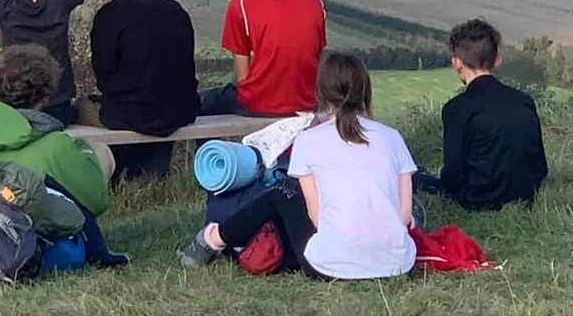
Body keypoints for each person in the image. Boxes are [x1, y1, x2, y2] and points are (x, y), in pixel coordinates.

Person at [180, 52, 417, 281]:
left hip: (330, 268)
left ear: (320, 91)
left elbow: (316, 217)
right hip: (398, 264)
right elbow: (405, 215)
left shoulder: (309, 139)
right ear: (365, 90)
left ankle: (213, 240)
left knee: (282, 192)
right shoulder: (392, 137)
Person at [0, 44, 127, 266]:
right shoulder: (56, 145)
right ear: (46, 98)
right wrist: (85, 151)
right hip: (38, 237)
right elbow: (97, 201)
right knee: (100, 152)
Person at [82, 0, 200, 179]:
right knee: (157, 100)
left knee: (80, 107)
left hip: (129, 114)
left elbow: (103, 74)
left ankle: (114, 178)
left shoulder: (110, 15)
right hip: (179, 111)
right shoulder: (176, 11)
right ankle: (152, 177)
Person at [414, 19, 548, 211]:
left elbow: (453, 177)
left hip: (479, 199)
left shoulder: (457, 109)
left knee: (412, 176)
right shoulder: (524, 100)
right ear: (497, 60)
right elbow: (540, 165)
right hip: (527, 192)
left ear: (457, 63)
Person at [199, 0, 326, 117]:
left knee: (200, 102)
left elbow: (242, 77)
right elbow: (318, 55)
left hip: (258, 102)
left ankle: (210, 147)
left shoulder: (241, 4)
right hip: (308, 101)